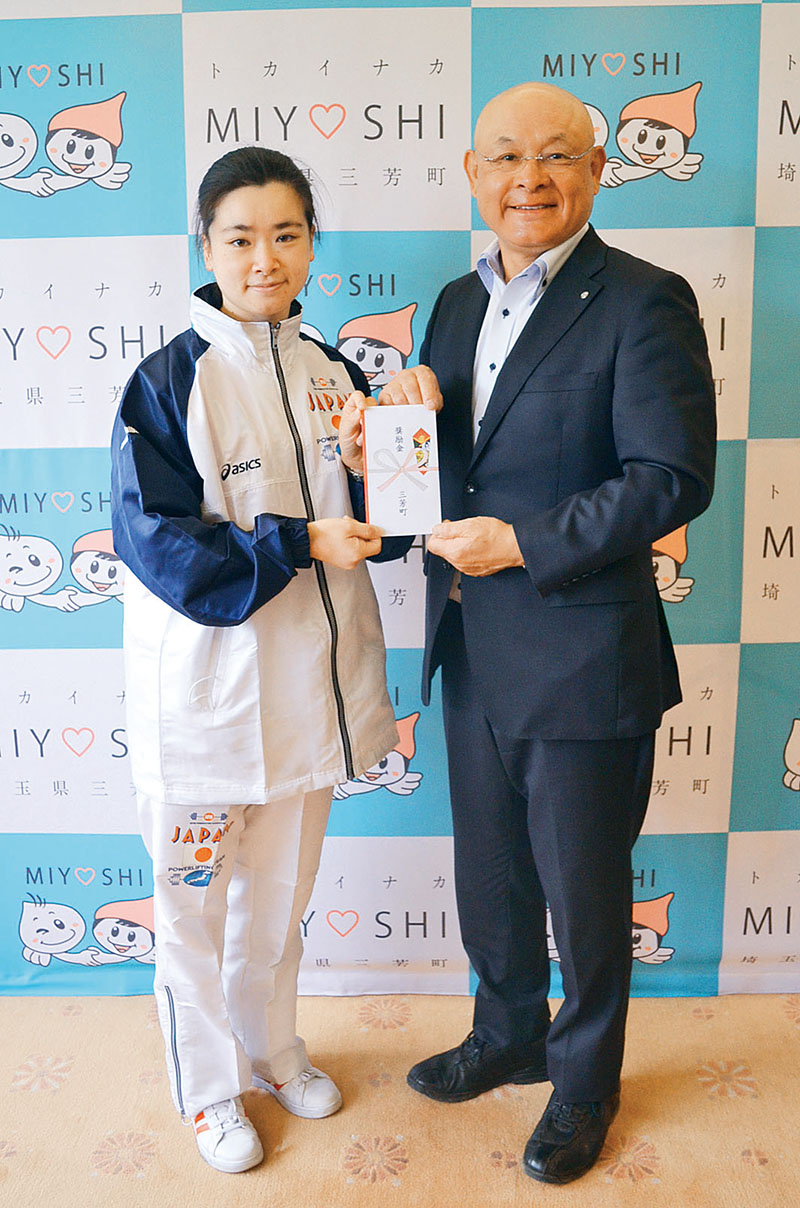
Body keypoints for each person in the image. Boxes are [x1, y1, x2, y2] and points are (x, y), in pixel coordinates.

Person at [378, 82, 716, 1184]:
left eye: (557, 155)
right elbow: (453, 465)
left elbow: (670, 477)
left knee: (583, 889)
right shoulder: (453, 302)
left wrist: (523, 543)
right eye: (507, 156)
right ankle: (508, 1032)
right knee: (489, 872)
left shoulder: (643, 299)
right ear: (472, 174)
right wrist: (398, 422)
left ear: (598, 171)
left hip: (582, 653)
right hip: (469, 642)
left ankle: (582, 1084)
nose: (530, 177)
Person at [110, 146, 411, 1175]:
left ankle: (272, 1051)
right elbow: (159, 545)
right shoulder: (167, 380)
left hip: (305, 701)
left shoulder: (335, 372)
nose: (264, 257)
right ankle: (207, 1091)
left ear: (313, 244)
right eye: (240, 237)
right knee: (192, 914)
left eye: (286, 234)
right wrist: (295, 540)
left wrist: (379, 475)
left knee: (277, 905)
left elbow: (378, 532)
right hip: (203, 709)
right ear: (206, 247)